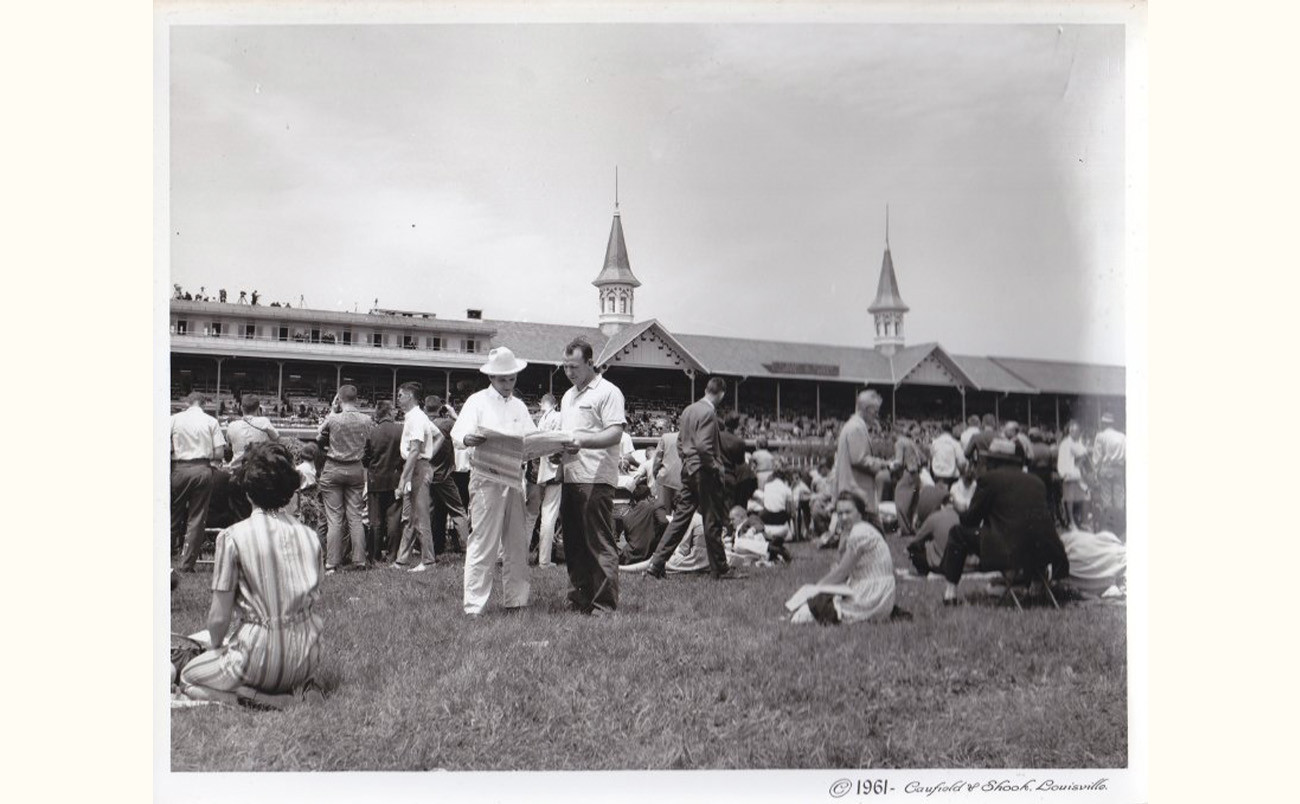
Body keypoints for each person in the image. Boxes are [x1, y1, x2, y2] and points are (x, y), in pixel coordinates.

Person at [179, 442, 324, 708]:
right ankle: (301, 688)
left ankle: (266, 700)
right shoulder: (310, 537)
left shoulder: (232, 537)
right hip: (307, 656)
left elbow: (219, 617)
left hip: (257, 658)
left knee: (189, 677)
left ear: (247, 490)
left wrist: (216, 649)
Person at [450, 347, 538, 615]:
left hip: (513, 476)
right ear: (491, 378)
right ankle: (474, 606)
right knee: (483, 541)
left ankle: (516, 600)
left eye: (512, 379)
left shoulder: (519, 405)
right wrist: (468, 439)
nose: (508, 384)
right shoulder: (477, 402)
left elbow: (532, 438)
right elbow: (458, 434)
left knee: (516, 541)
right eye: (503, 380)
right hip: (486, 477)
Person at [940, 439, 1069, 606]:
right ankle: (1037, 586)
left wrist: (960, 509)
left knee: (957, 533)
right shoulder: (1036, 481)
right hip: (1043, 552)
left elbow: (970, 520)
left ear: (993, 461)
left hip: (1009, 552)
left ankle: (950, 594)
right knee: (1028, 531)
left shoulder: (989, 480)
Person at [557, 338, 628, 614]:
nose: (569, 372)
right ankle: (579, 599)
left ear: (590, 362)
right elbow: (568, 436)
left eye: (574, 366)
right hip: (571, 475)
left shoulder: (608, 392)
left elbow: (614, 433)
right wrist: (557, 452)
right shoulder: (567, 395)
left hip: (596, 477)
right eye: (565, 367)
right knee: (573, 543)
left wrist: (582, 443)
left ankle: (604, 605)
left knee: (598, 542)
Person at [644, 377, 734, 580]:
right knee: (712, 520)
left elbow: (679, 443)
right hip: (704, 470)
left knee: (679, 520)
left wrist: (687, 461)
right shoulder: (709, 412)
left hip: (689, 470)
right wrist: (714, 467)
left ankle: (655, 564)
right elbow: (703, 446)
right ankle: (720, 568)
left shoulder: (688, 410)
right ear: (721, 393)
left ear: (705, 389)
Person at [790, 492, 902, 625]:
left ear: (860, 512)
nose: (843, 517)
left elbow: (842, 572)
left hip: (870, 596)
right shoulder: (864, 529)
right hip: (881, 595)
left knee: (807, 610)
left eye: (848, 512)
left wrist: (815, 589)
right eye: (840, 513)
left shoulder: (860, 533)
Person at [316, 385, 373, 573]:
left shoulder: (333, 419)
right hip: (356, 468)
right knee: (355, 517)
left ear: (339, 399)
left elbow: (318, 437)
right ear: (356, 399)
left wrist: (332, 410)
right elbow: (369, 444)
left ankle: (332, 562)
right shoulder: (367, 420)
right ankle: (359, 560)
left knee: (334, 518)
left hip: (334, 466)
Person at [171, 392, 226, 572]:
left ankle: (166, 556)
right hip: (202, 468)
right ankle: (187, 564)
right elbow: (219, 453)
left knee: (172, 514)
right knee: (197, 517)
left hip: (179, 467)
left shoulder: (174, 419)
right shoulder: (211, 421)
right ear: (204, 403)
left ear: (187, 402)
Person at [391, 382, 440, 573]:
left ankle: (428, 561)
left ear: (410, 396)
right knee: (411, 516)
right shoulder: (419, 417)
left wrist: (404, 479)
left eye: (401, 395)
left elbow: (414, 450)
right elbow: (439, 437)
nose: (398, 398)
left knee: (420, 516)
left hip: (417, 467)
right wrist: (428, 456)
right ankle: (402, 560)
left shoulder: (416, 418)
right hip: (420, 465)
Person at [223, 394, 281, 521]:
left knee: (239, 517)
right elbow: (277, 440)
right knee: (262, 515)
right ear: (258, 408)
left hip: (237, 474)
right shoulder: (264, 421)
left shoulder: (232, 425)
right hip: (260, 473)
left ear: (241, 407)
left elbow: (229, 443)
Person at [834, 390, 893, 511]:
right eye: (875, 412)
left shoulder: (853, 426)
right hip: (857, 494)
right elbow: (859, 459)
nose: (877, 416)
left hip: (852, 492)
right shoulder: (857, 428)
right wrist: (885, 464)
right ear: (867, 409)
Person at [362, 400, 405, 563]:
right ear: (389, 412)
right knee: (393, 519)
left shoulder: (372, 432)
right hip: (395, 479)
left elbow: (365, 458)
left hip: (375, 479)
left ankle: (374, 555)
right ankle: (392, 554)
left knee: (375, 520)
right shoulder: (401, 430)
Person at [533, 393, 563, 567]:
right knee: (549, 515)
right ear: (555, 404)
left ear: (541, 404)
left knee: (533, 515)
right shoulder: (558, 417)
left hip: (540, 469)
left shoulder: (541, 420)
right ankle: (545, 559)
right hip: (553, 469)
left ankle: (535, 557)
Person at [906, 495, 961, 576]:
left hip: (942, 564)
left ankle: (923, 571)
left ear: (942, 506)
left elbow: (916, 539)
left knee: (914, 550)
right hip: (962, 564)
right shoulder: (962, 517)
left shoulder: (934, 517)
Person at [1092, 413, 1126, 538]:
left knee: (1106, 498)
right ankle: (1121, 526)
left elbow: (1097, 455)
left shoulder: (1101, 436)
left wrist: (1095, 471)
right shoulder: (1122, 436)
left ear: (1104, 423)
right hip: (1119, 468)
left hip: (1106, 468)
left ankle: (1109, 527)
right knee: (1119, 497)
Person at [619, 482, 667, 563]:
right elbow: (664, 523)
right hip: (650, 555)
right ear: (648, 497)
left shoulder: (626, 517)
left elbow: (628, 538)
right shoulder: (655, 507)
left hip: (630, 557)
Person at [1057, 420, 1090, 530]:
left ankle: (1084, 521)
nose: (1077, 433)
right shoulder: (1067, 443)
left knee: (1085, 497)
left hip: (1077, 474)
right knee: (1069, 499)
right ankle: (1072, 522)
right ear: (1070, 431)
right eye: (1075, 431)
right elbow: (1082, 452)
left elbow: (1083, 452)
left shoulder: (1076, 442)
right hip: (1068, 474)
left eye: (1078, 431)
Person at [892, 423, 924, 536]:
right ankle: (912, 527)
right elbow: (923, 458)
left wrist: (888, 465)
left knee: (901, 500)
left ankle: (904, 529)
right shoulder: (911, 442)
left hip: (908, 473)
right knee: (913, 503)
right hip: (917, 475)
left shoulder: (899, 443)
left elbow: (898, 462)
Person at [720, 412, 755, 508]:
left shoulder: (715, 436)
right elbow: (740, 462)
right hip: (730, 477)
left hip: (715, 476)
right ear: (736, 425)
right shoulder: (739, 442)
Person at [929, 423, 967, 489]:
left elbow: (931, 458)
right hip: (951, 478)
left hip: (937, 476)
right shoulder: (955, 443)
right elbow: (962, 462)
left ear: (940, 430)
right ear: (951, 431)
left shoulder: (934, 443)